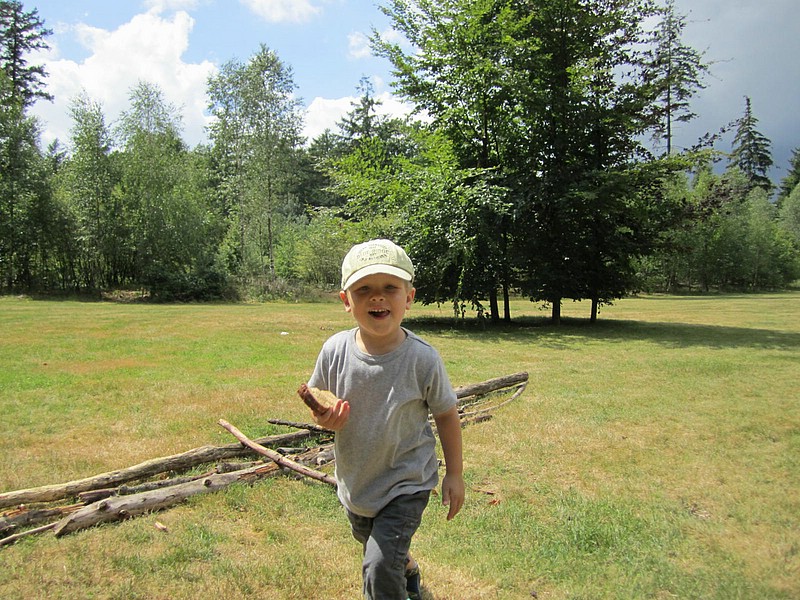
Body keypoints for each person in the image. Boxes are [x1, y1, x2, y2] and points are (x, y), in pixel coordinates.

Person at [307, 238, 465, 600]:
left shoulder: (422, 359)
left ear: (408, 297)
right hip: (358, 483)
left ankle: (395, 575)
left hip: (406, 482)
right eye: (364, 289)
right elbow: (320, 402)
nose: (377, 297)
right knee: (377, 546)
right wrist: (325, 417)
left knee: (377, 567)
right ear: (347, 301)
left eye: (389, 288)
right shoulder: (335, 351)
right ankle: (407, 567)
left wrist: (454, 473)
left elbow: (446, 415)